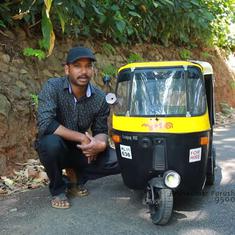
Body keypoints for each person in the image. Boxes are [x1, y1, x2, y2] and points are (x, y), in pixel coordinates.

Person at [36, 46, 120, 209]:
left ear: (93, 70)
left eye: (88, 66)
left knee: (119, 160)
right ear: (67, 69)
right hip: (57, 146)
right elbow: (46, 123)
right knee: (49, 144)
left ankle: (77, 178)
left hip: (80, 149)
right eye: (77, 66)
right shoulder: (53, 87)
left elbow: (100, 130)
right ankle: (58, 188)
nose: (84, 71)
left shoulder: (100, 98)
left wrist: (99, 144)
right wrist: (82, 137)